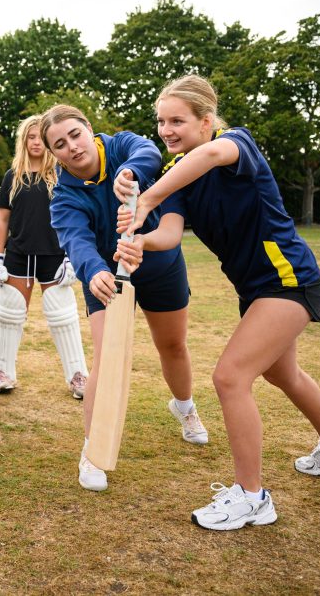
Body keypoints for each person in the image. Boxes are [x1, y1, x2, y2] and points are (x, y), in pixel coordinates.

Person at [118, 74, 320, 531]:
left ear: (206, 120)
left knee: (230, 377)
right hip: (256, 289)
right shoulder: (181, 180)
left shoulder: (235, 143)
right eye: (160, 122)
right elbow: (171, 234)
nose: (166, 130)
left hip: (286, 278)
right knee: (281, 372)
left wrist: (148, 196)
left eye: (177, 120)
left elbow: (212, 155)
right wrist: (139, 240)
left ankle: (252, 497)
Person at [41, 105, 209, 494]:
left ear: (88, 129)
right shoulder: (63, 195)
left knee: (172, 345)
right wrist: (94, 270)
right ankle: (94, 449)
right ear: (53, 154)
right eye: (59, 145)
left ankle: (185, 408)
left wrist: (127, 173)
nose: (72, 147)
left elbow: (150, 151)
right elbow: (74, 239)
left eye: (75, 135)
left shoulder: (121, 147)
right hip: (106, 277)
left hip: (161, 264)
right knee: (107, 356)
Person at [0, 115, 88, 399]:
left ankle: (78, 376)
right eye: (30, 137)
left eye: (39, 138)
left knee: (63, 316)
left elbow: (74, 216)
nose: (35, 142)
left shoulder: (62, 172)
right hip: (18, 254)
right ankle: (3, 373)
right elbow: (3, 220)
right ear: (24, 142)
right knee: (8, 314)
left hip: (55, 254)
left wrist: (71, 256)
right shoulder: (13, 175)